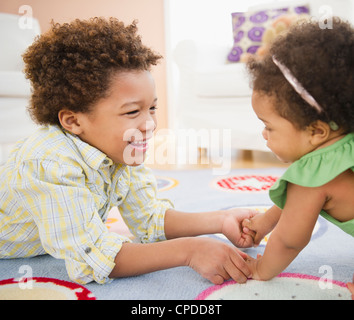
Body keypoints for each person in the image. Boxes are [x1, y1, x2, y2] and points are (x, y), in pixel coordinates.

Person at [0, 17, 254, 285]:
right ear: (73, 121)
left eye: (152, 108)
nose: (150, 125)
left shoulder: (121, 149)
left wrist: (221, 219)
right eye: (133, 111)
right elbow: (91, 259)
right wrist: (190, 251)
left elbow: (150, 220)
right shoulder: (49, 164)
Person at [241, 18, 354, 284]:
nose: (264, 134)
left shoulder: (313, 177)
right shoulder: (342, 144)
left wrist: (262, 269)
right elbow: (296, 204)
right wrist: (267, 221)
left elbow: (290, 241)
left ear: (316, 131)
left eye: (269, 127)